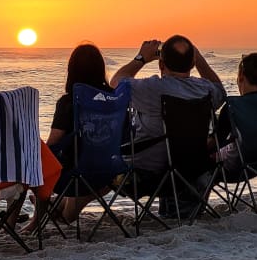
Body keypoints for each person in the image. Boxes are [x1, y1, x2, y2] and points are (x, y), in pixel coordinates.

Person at [109, 35, 226, 216]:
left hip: (149, 173)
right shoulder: (206, 90)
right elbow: (220, 88)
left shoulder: (153, 88)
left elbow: (116, 83)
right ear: (193, 63)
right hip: (192, 169)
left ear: (161, 65)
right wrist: (198, 58)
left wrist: (141, 58)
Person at [23, 43, 114, 230]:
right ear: (101, 69)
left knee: (38, 164)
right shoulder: (113, 99)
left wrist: (33, 152)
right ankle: (54, 205)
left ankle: (36, 221)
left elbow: (53, 143)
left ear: (71, 71)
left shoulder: (68, 103)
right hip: (111, 172)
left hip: (76, 174)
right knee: (65, 211)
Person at [213, 53, 257, 177]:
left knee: (201, 161)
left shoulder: (232, 107)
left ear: (241, 76)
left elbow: (215, 143)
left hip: (238, 164)